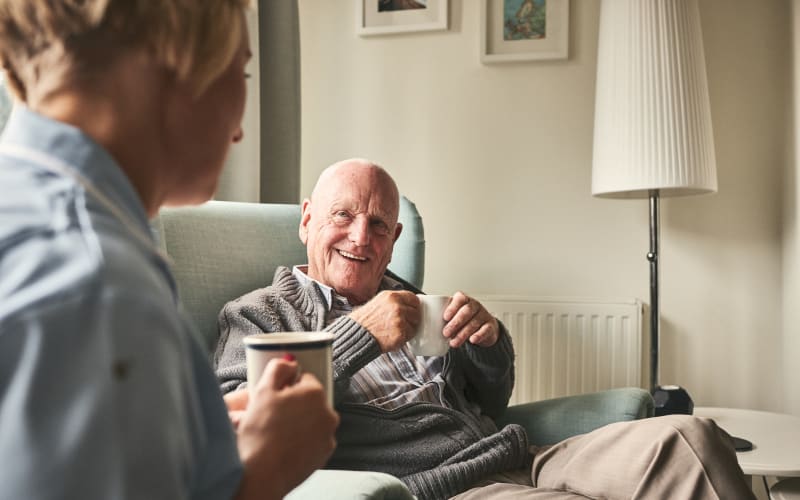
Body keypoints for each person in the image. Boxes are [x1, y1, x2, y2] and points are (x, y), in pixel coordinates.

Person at [214, 158, 755, 500]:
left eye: (379, 224)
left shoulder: (415, 301)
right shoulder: (258, 313)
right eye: (343, 216)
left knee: (692, 438)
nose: (360, 236)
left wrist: (488, 344)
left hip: (523, 454)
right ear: (307, 219)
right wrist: (363, 332)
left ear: (394, 236)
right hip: (441, 487)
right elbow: (241, 427)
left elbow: (492, 403)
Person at [0, 2, 338, 499]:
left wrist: (169, 425)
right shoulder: (102, 294)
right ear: (167, 62)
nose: (240, 128)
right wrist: (264, 472)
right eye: (240, 70)